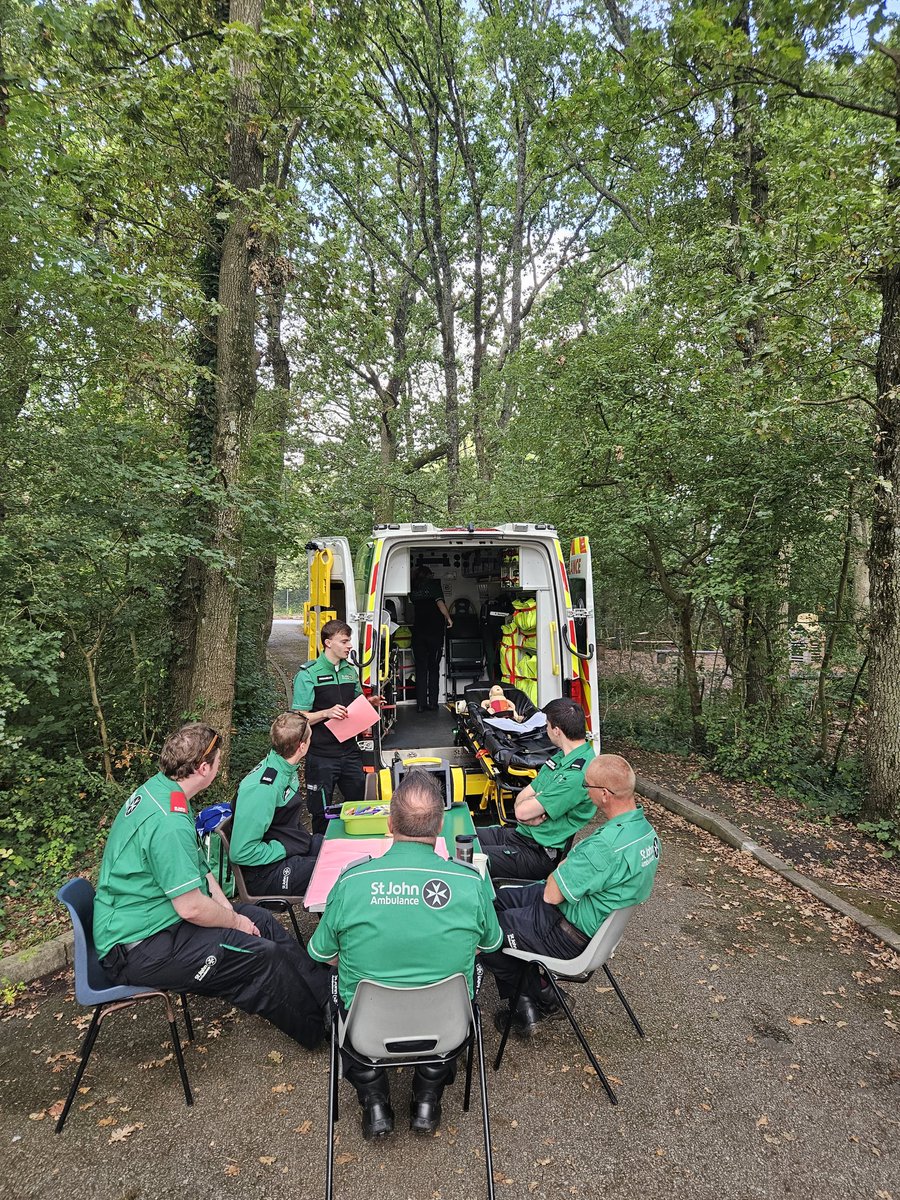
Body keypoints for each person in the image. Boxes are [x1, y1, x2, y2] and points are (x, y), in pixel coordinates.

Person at [93, 723, 330, 1050]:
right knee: (259, 956)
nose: (220, 765)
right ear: (204, 768)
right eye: (218, 760)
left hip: (158, 922)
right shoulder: (168, 822)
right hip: (139, 947)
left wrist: (232, 912)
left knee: (259, 921)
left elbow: (201, 872)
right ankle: (321, 1031)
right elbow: (190, 907)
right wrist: (233, 923)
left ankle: (326, 993)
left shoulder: (162, 790)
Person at [307, 770, 503, 1140]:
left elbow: (324, 953)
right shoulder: (469, 882)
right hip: (448, 1027)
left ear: (391, 822)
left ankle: (374, 1101)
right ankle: (428, 1097)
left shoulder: (352, 881)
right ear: (440, 824)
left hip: (366, 1028)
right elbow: (488, 945)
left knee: (329, 989)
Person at [481, 753, 660, 1037]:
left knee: (480, 931)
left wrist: (565, 867)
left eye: (587, 786)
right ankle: (530, 992)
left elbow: (553, 894)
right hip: (590, 922)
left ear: (603, 794)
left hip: (565, 930)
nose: (584, 792)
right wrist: (566, 868)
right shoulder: (647, 836)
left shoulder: (605, 846)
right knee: (494, 901)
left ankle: (543, 997)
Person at [477, 697, 594, 880]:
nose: (545, 730)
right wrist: (534, 810)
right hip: (521, 836)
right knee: (463, 838)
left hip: (537, 853)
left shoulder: (577, 775)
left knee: (466, 859)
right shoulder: (561, 758)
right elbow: (521, 802)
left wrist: (529, 808)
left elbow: (523, 812)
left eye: (547, 725)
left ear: (556, 731)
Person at [291, 619, 382, 836]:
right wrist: (325, 713)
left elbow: (356, 702)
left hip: (350, 752)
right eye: (344, 641)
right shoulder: (308, 674)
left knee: (360, 806)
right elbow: (297, 718)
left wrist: (370, 703)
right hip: (321, 756)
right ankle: (321, 853)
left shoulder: (350, 671)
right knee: (321, 812)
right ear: (328, 643)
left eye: (349, 640)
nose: (349, 645)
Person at [229, 712, 323, 895]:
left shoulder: (285, 768)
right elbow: (241, 852)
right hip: (264, 873)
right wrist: (285, 848)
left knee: (337, 850)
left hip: (291, 846)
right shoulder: (263, 789)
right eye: (310, 737)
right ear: (302, 746)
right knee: (333, 872)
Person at [408, 563, 452, 712]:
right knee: (433, 668)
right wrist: (449, 619)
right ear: (429, 575)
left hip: (418, 633)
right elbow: (440, 604)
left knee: (421, 669)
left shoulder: (413, 588)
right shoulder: (434, 586)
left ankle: (420, 704)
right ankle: (433, 703)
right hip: (434, 633)